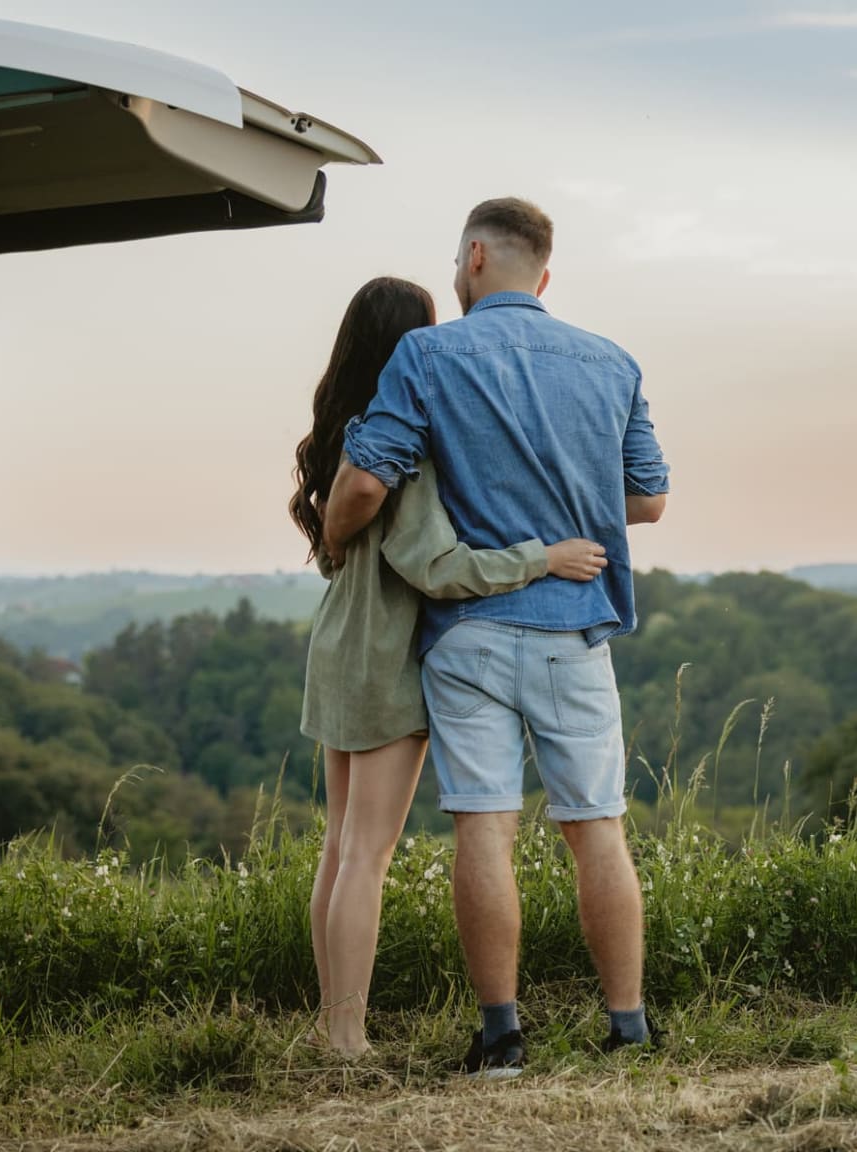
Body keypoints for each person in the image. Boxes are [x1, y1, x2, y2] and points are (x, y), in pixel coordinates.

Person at [324, 198, 671, 1078]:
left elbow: (368, 479)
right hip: (574, 627)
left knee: (486, 825)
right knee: (598, 828)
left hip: (468, 633)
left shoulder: (428, 355)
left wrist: (333, 537)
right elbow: (649, 499)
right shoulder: (611, 361)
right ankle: (627, 1027)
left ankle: (501, 1036)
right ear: (543, 273)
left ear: (474, 257)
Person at [289, 275, 609, 1058]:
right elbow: (435, 566)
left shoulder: (342, 429)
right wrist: (543, 557)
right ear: (409, 345)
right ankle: (347, 1038)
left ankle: (335, 1023)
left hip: (338, 643)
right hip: (386, 652)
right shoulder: (401, 447)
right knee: (366, 850)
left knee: (340, 845)